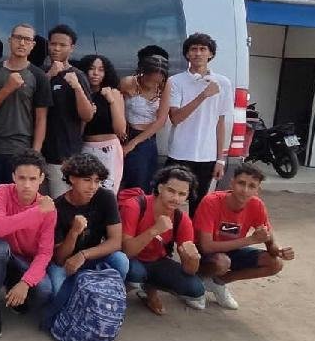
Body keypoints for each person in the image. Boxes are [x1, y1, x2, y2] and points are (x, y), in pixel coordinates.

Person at [193, 163, 296, 310]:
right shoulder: (211, 202)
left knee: (275, 263)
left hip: (232, 250)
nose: (245, 190)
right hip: (203, 253)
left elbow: (269, 241)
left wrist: (279, 251)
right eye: (241, 183)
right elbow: (206, 246)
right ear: (232, 182)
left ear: (258, 190)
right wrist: (250, 240)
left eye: (252, 186)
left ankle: (218, 283)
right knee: (221, 262)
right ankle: (197, 285)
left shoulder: (257, 205)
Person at [0, 150, 57, 338]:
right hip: (2, 255)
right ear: (13, 176)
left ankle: (16, 293)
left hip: (27, 262)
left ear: (41, 178)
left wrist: (25, 283)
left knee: (45, 291)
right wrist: (38, 212)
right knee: (0, 249)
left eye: (33, 179)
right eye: (21, 178)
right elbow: (0, 228)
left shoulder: (49, 208)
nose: (26, 185)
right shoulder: (2, 191)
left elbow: (45, 253)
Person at [119, 165, 205, 315]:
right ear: (160, 188)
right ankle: (115, 296)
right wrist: (154, 230)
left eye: (182, 194)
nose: (175, 198)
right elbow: (127, 251)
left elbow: (189, 270)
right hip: (131, 259)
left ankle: (149, 289)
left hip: (156, 261)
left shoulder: (182, 219)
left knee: (195, 288)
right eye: (171, 191)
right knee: (134, 272)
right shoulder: (135, 205)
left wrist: (193, 258)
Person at [0, 23, 51, 208]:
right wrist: (7, 89)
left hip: (21, 152)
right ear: (10, 40)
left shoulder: (38, 76)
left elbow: (41, 118)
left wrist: (34, 154)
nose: (22, 43)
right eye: (18, 38)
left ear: (33, 45)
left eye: (27, 39)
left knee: (18, 206)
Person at [167, 32, 234, 215]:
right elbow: (176, 118)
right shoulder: (175, 81)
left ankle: (193, 242)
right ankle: (167, 240)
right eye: (193, 49)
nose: (198, 53)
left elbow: (221, 122)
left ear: (210, 54)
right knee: (170, 202)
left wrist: (220, 159)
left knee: (199, 205)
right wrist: (203, 95)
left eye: (203, 49)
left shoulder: (223, 83)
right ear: (187, 54)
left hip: (207, 155)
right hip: (179, 153)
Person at [45, 152, 130, 295]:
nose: (92, 186)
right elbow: (59, 259)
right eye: (87, 180)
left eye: (97, 181)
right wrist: (74, 232)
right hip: (67, 261)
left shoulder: (106, 197)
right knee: (57, 291)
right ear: (72, 178)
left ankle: (112, 298)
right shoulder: (57, 207)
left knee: (121, 260)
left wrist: (84, 255)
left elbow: (116, 242)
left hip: (93, 255)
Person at [41, 24, 95, 197]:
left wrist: (77, 87)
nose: (56, 48)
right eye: (53, 43)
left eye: (62, 45)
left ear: (72, 48)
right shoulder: (41, 73)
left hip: (63, 156)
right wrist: (49, 76)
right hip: (38, 155)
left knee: (61, 206)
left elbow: (87, 115)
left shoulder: (77, 75)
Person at [120, 54, 170, 191]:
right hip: (128, 133)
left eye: (157, 81)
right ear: (143, 73)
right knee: (130, 182)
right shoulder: (128, 82)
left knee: (146, 182)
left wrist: (134, 143)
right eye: (150, 80)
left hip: (148, 138)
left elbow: (161, 121)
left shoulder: (165, 85)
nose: (154, 84)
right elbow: (115, 108)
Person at [77, 54, 127, 191]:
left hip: (109, 149)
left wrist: (111, 101)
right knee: (86, 192)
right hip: (85, 148)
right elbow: (78, 132)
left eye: (101, 70)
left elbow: (121, 130)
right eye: (92, 69)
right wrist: (86, 115)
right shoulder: (80, 94)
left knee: (107, 192)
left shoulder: (113, 92)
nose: (95, 73)